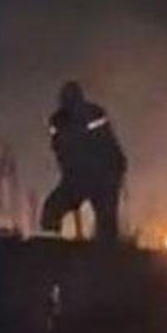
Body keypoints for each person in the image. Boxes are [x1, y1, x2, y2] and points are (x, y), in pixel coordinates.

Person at [39, 81, 127, 242]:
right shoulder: (58, 121)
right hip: (78, 175)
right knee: (53, 208)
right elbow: (59, 148)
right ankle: (49, 247)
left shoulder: (94, 114)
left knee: (106, 218)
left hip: (104, 174)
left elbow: (104, 144)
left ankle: (108, 256)